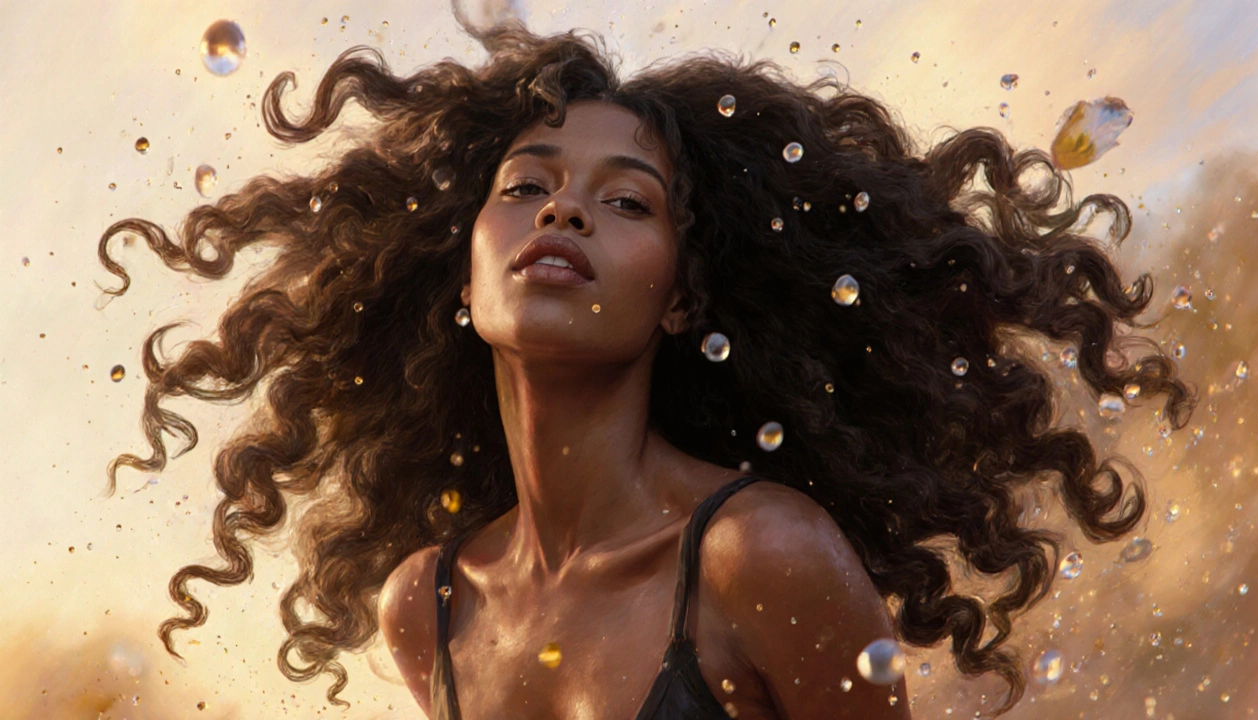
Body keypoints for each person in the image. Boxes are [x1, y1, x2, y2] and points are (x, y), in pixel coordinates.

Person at [98, 20, 1193, 720]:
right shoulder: (424, 606)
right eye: (525, 186)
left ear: (682, 296)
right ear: (461, 272)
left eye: (626, 201)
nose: (563, 208)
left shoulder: (757, 554)